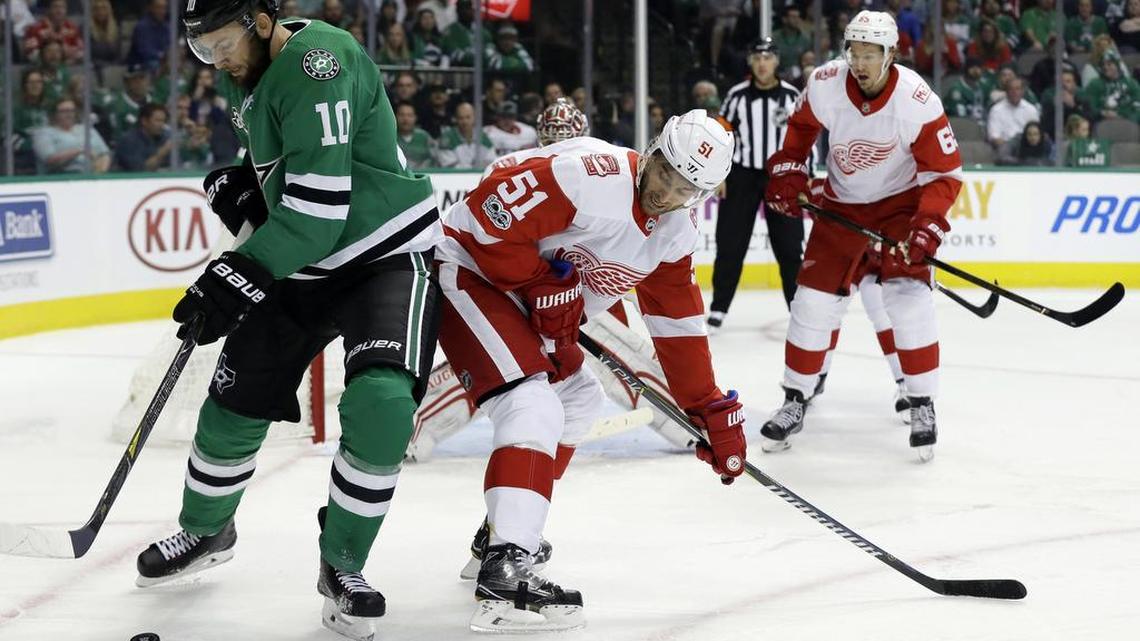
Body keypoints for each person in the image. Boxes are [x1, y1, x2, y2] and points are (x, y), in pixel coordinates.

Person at [135, 4, 443, 641]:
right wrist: (246, 186)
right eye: (203, 50)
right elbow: (295, 170)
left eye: (222, 43)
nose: (215, 60)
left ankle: (344, 565)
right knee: (233, 397)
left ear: (260, 18)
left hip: (382, 256)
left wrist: (237, 270)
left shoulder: (317, 63)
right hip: (304, 262)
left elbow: (320, 210)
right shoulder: (248, 66)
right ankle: (206, 528)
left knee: (382, 403)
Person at [435, 109, 744, 631]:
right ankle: (507, 569)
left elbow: (676, 317)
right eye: (666, 171)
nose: (666, 193)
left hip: (527, 310)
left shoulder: (676, 232)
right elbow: (488, 212)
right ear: (653, 151)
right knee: (531, 401)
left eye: (686, 188)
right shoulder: (589, 176)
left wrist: (706, 405)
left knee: (579, 399)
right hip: (469, 271)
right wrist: (537, 282)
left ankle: (499, 533)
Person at [761, 10, 962, 462]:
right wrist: (790, 170)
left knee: (907, 297)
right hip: (840, 204)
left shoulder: (916, 99)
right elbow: (799, 133)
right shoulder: (826, 82)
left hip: (900, 206)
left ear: (891, 54)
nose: (860, 62)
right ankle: (795, 398)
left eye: (871, 53)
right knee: (812, 302)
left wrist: (927, 225)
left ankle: (922, 403)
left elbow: (944, 174)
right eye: (855, 51)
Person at [709, 37, 806, 331]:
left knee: (790, 248)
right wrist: (720, 173)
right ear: (751, 62)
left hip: (782, 177)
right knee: (730, 244)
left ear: (776, 62)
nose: (762, 63)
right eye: (757, 58)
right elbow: (720, 134)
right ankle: (718, 308)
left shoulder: (792, 95)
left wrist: (802, 179)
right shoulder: (737, 95)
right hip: (741, 175)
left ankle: (799, 310)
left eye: (767, 58)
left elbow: (805, 136)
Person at [32, 98, 112, 174]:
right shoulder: (44, 133)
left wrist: (100, 173)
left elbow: (104, 153)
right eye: (64, 111)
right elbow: (49, 159)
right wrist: (79, 151)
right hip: (61, 176)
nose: (69, 114)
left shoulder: (87, 129)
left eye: (72, 111)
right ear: (55, 113)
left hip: (93, 174)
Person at [115, 102, 174, 172]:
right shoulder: (129, 141)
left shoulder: (165, 137)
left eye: (163, 121)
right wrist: (162, 152)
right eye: (158, 121)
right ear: (144, 121)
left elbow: (178, 166)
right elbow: (140, 170)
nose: (162, 125)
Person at [435, 101, 496, 168]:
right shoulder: (447, 138)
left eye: (468, 117)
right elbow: (449, 166)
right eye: (461, 118)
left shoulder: (484, 138)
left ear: (474, 118)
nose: (465, 121)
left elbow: (491, 163)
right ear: (456, 119)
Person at [987, 76, 1039, 147]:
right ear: (1006, 92)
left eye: (1017, 89)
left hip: (1027, 148)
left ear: (1023, 91)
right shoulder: (996, 110)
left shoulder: (1031, 109)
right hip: (1005, 148)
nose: (1014, 92)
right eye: (1011, 89)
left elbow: (1037, 134)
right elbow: (994, 138)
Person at [128, 0, 172, 72]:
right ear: (150, 8)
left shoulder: (166, 27)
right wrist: (163, 56)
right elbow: (145, 52)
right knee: (155, 65)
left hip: (163, 61)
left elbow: (169, 46)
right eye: (158, 8)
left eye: (164, 8)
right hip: (141, 63)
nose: (162, 11)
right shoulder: (141, 27)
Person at [394, 101, 435, 169]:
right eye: (402, 115)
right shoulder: (391, 137)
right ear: (395, 116)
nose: (405, 119)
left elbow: (434, 159)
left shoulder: (424, 136)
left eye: (409, 115)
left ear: (415, 118)